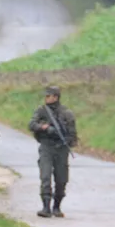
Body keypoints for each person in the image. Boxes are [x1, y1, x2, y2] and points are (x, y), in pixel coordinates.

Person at [28, 85, 78, 218]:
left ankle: (57, 207)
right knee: (45, 176)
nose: (46, 98)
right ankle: (46, 207)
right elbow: (31, 124)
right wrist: (44, 127)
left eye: (48, 96)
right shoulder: (42, 111)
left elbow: (73, 134)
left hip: (61, 148)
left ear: (55, 97)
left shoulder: (67, 113)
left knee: (61, 179)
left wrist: (67, 140)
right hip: (46, 147)